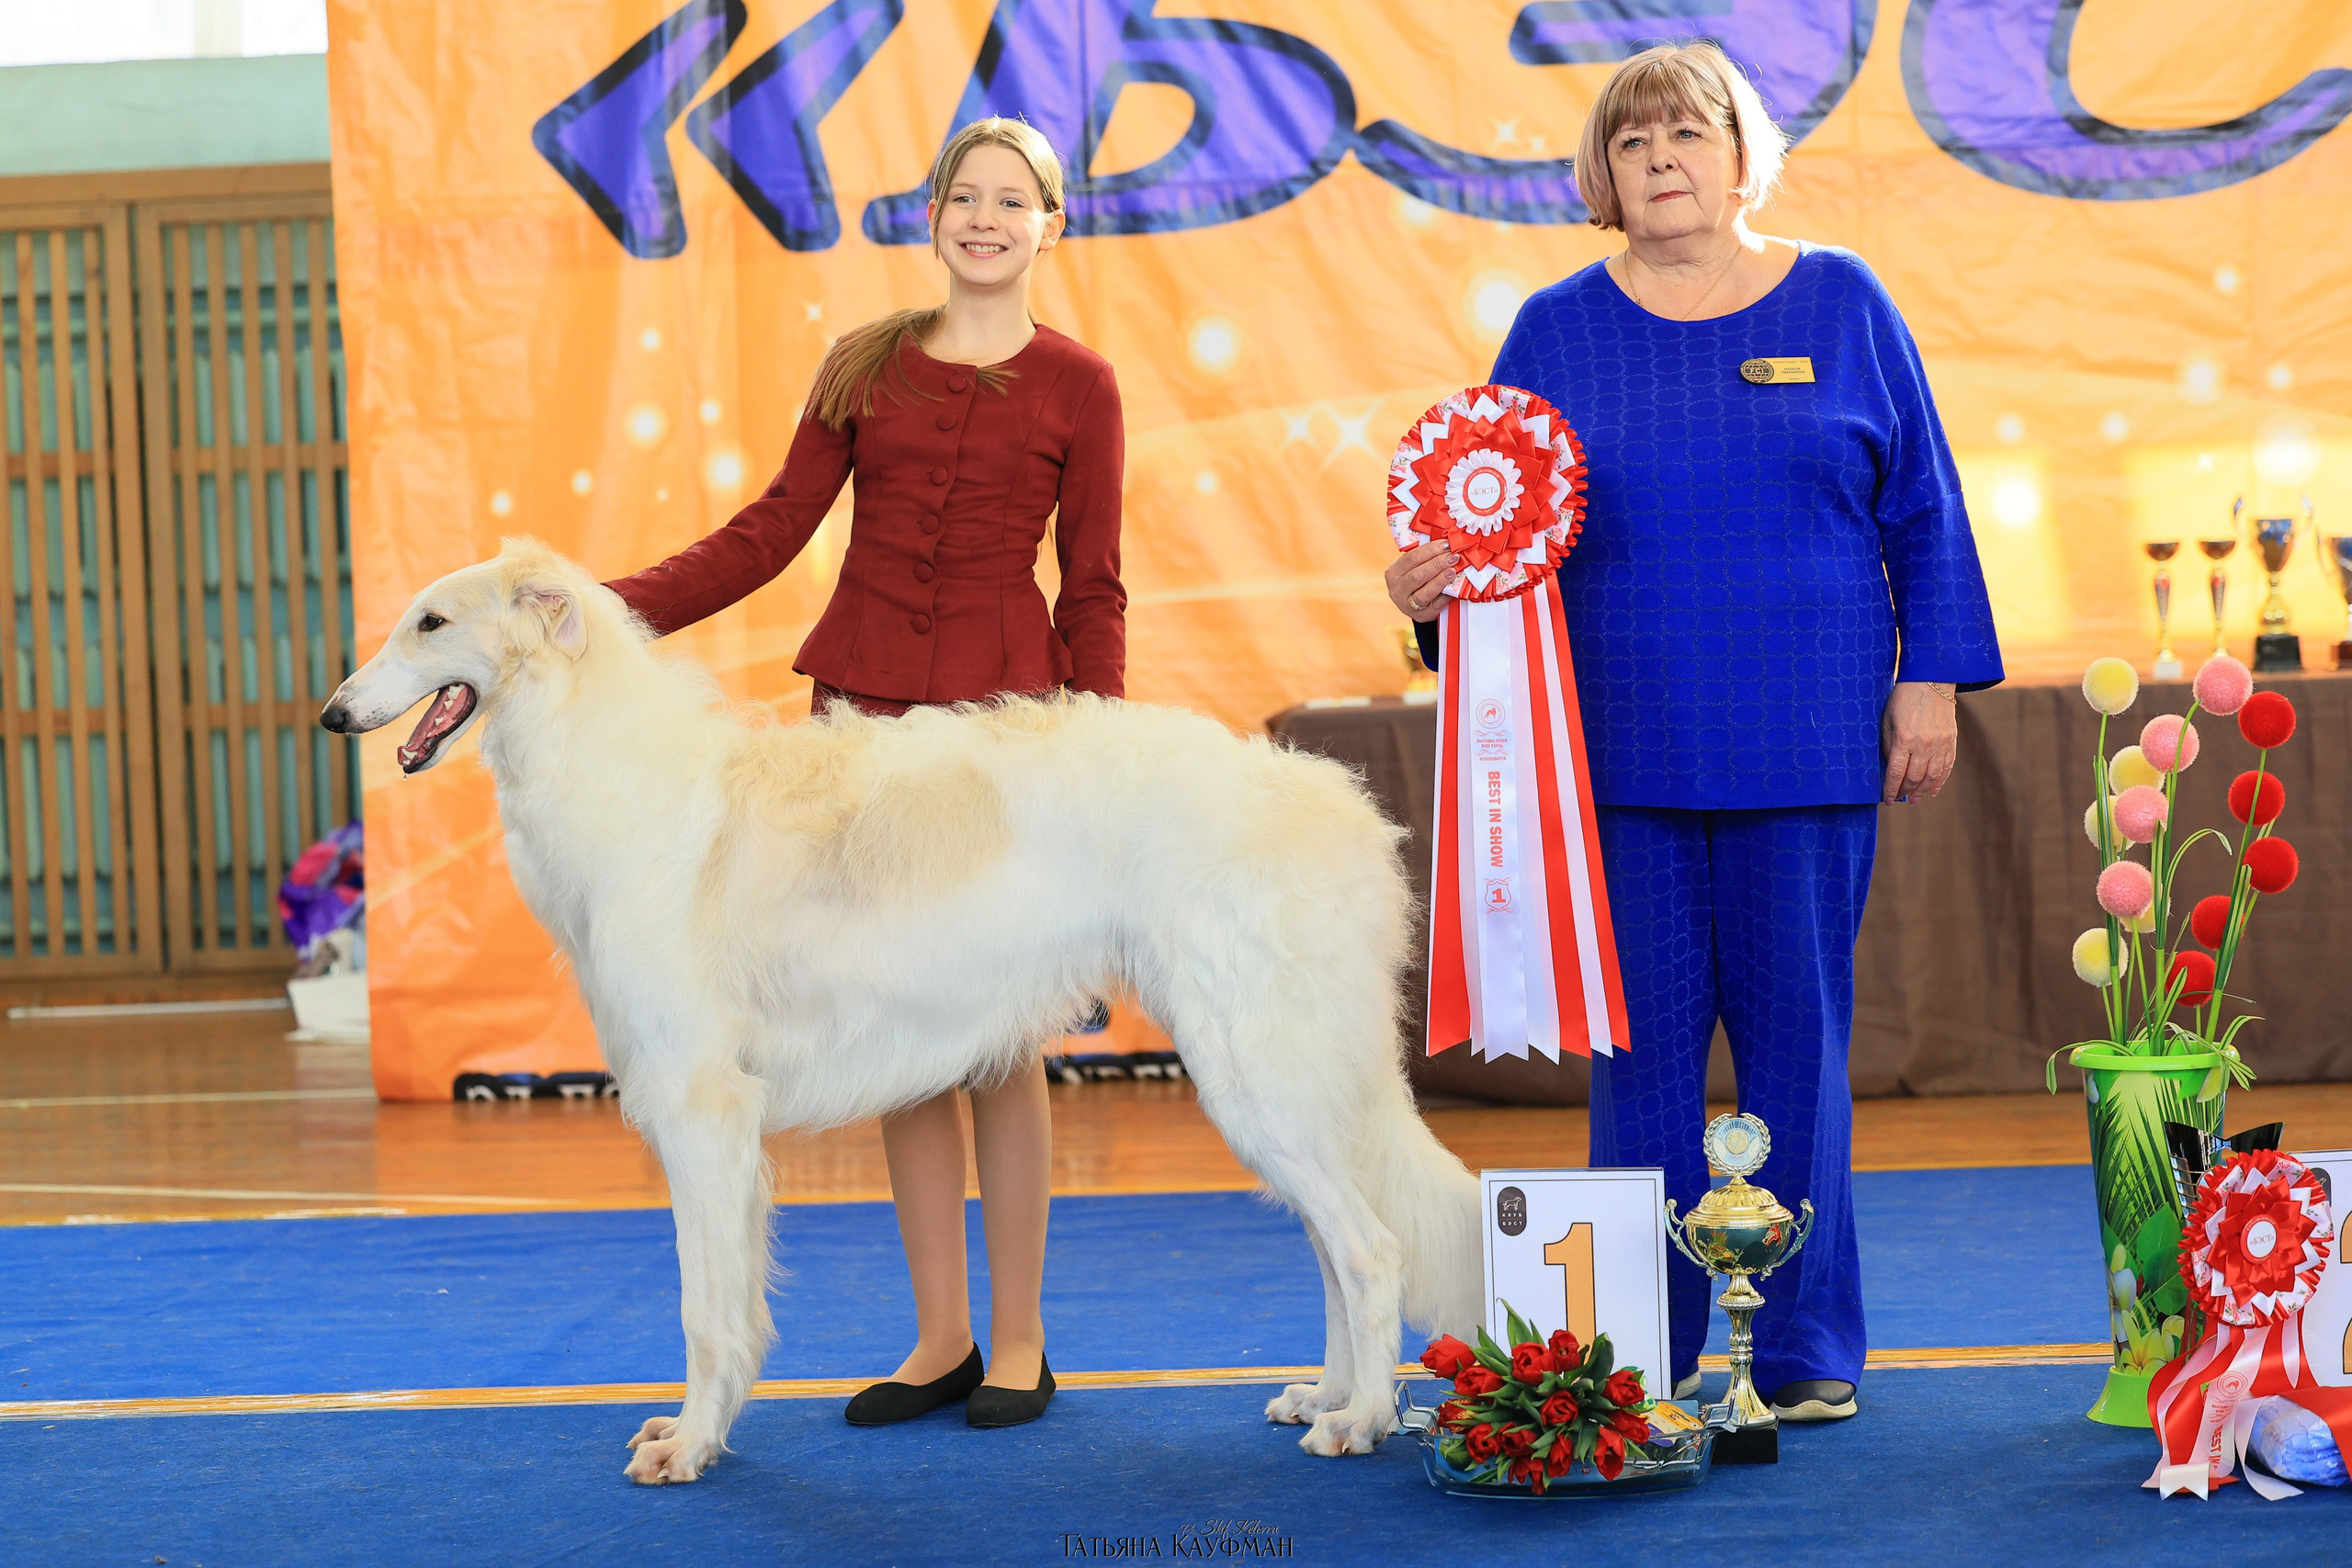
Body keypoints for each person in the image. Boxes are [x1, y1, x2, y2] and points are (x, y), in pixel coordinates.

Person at [1385, 42, 2001, 1422]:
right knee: (1643, 1065)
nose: (1662, 157)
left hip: (1806, 746)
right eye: (1634, 139)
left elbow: (1925, 509)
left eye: (1689, 131)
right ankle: (1628, 1356)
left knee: (1798, 1052)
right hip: (1618, 758)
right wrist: (1432, 595)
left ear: (1742, 155)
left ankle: (1800, 1355)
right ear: (1602, 175)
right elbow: (1495, 538)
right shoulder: (1551, 328)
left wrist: (1931, 679)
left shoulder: (1845, 300)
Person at [604, 117, 1124, 1429]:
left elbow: (1094, 585)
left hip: (1003, 750)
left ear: (1051, 225)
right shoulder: (862, 366)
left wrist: (1101, 753)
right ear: (932, 213)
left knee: (1000, 1042)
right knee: (900, 1037)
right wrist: (607, 611)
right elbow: (773, 530)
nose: (988, 218)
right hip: (861, 731)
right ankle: (938, 1336)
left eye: (1016, 201)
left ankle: (1019, 1341)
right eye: (967, 195)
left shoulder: (1084, 385)